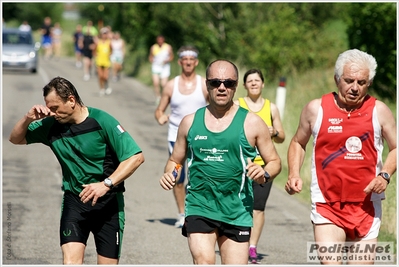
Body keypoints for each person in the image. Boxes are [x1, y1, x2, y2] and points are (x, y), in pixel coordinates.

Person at [8, 76, 145, 264]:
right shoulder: (51, 126)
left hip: (108, 205)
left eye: (55, 108)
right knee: (70, 261)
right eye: (49, 108)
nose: (52, 113)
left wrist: (106, 184)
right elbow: (15, 138)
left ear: (71, 100)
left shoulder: (102, 121)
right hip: (75, 202)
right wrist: (27, 118)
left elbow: (136, 157)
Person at [159, 59, 281, 264]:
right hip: (200, 206)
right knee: (204, 261)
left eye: (228, 83)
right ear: (207, 85)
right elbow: (175, 160)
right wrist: (170, 174)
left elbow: (275, 161)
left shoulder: (252, 122)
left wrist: (265, 173)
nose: (222, 87)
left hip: (237, 209)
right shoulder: (189, 122)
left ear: (235, 87)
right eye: (215, 82)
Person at [285, 49, 397, 264]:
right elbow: (298, 142)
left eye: (361, 82)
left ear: (369, 83)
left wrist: (385, 175)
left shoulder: (379, 111)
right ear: (337, 79)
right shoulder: (315, 109)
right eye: (349, 80)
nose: (355, 88)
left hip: (366, 206)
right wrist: (293, 173)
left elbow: (396, 148)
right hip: (327, 204)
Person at [234, 68, 285, 264]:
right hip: (240, 164)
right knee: (239, 204)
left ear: (263, 84)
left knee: (258, 207)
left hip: (264, 165)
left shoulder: (271, 108)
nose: (254, 83)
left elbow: (282, 137)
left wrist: (273, 132)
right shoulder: (238, 105)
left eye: (257, 80)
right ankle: (238, 241)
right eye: (250, 81)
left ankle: (252, 246)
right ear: (245, 85)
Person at [155, 45, 208, 228]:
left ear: (196, 62)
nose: (188, 62)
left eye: (191, 59)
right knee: (177, 177)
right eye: (184, 59)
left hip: (201, 138)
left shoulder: (203, 84)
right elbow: (160, 110)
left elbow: (216, 107)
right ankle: (182, 214)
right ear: (179, 62)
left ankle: (197, 211)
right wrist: (160, 117)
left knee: (198, 177)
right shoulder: (171, 85)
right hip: (175, 137)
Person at [149, 35, 174, 104]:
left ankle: (164, 97)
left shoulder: (168, 47)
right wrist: (152, 60)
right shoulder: (154, 47)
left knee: (163, 84)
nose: (160, 41)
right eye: (158, 40)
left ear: (163, 40)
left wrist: (167, 60)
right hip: (156, 67)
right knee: (156, 83)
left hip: (165, 67)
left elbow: (172, 56)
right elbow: (150, 57)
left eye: (161, 40)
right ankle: (158, 97)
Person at [95, 27, 113, 96]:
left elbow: (111, 50)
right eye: (103, 34)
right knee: (100, 76)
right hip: (99, 61)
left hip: (106, 61)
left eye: (105, 34)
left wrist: (110, 54)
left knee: (105, 76)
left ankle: (107, 86)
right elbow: (95, 51)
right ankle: (101, 89)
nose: (104, 35)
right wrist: (96, 55)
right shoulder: (98, 42)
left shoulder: (109, 42)